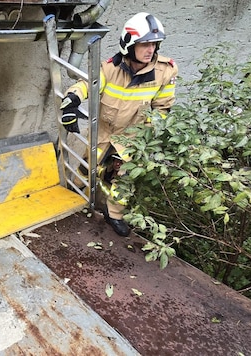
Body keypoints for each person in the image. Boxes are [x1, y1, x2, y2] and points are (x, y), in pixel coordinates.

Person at [60, 12, 178, 237]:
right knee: (87, 167)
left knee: (124, 180)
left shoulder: (165, 71)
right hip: (104, 132)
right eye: (144, 44)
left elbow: (163, 109)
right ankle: (74, 198)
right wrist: (72, 99)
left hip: (134, 137)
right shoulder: (110, 69)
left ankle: (114, 214)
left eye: (154, 44)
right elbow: (87, 84)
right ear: (129, 44)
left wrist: (148, 136)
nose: (150, 50)